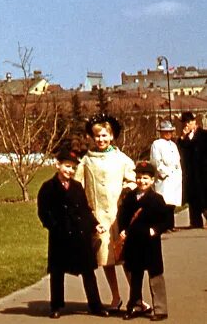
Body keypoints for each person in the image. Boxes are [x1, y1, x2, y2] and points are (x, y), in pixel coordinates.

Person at [37, 148, 110, 318]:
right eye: (66, 166)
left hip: (80, 234)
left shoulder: (77, 187)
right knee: (57, 272)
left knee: (88, 271)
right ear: (58, 165)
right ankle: (56, 306)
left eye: (72, 168)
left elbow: (85, 209)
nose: (69, 170)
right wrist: (53, 226)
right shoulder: (48, 187)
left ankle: (95, 305)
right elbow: (43, 212)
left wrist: (94, 225)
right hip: (59, 236)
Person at [75, 113, 136, 311]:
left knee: (125, 256)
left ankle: (135, 297)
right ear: (92, 137)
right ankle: (115, 296)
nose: (101, 140)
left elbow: (133, 180)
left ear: (112, 136)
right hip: (99, 216)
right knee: (106, 258)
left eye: (104, 136)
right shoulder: (87, 161)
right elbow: (78, 187)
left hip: (118, 215)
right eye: (97, 136)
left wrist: (128, 190)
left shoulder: (121, 159)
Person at [118, 161, 170, 320]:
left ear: (152, 180)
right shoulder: (130, 198)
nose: (142, 181)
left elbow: (167, 220)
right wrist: (122, 230)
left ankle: (160, 309)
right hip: (134, 242)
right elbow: (123, 217)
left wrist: (156, 230)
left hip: (150, 243)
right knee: (135, 275)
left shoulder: (157, 199)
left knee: (155, 275)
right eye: (139, 177)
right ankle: (135, 305)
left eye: (146, 178)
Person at [149, 120, 182, 231]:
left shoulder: (173, 144)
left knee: (171, 204)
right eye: (165, 131)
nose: (168, 133)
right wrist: (163, 173)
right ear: (161, 132)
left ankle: (171, 225)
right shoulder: (157, 144)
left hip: (174, 177)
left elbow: (177, 160)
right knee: (164, 203)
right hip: (165, 178)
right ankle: (163, 225)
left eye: (170, 131)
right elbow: (156, 161)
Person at [176, 111, 207, 229]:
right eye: (184, 122)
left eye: (188, 122)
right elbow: (179, 152)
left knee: (204, 195)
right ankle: (195, 221)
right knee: (193, 197)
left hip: (203, 171)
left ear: (194, 122)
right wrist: (182, 138)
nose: (186, 125)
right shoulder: (183, 138)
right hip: (190, 172)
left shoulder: (204, 135)